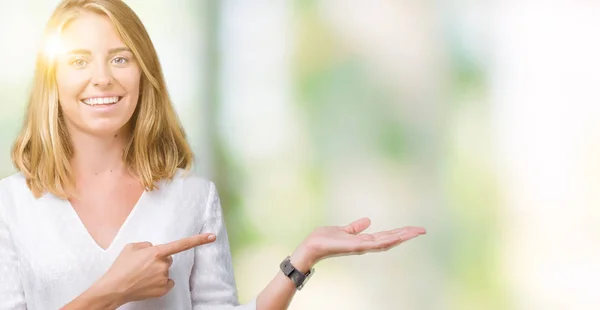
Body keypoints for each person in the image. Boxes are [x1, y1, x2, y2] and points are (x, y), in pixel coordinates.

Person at [0, 0, 427, 309]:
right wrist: (113, 290)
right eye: (78, 61)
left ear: (144, 73)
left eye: (120, 58)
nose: (102, 78)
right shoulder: (11, 205)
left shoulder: (193, 199)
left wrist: (300, 261)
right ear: (51, 80)